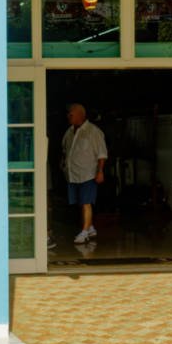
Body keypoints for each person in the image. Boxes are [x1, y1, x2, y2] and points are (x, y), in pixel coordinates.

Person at [62, 102, 107, 245]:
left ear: (81, 115)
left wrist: (100, 171)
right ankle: (90, 227)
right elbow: (65, 150)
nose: (68, 116)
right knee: (80, 203)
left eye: (71, 114)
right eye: (68, 114)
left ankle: (84, 232)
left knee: (86, 203)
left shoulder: (93, 132)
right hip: (73, 174)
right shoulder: (69, 132)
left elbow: (102, 154)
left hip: (88, 174)